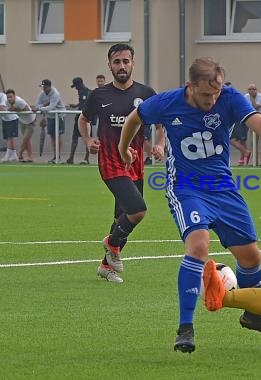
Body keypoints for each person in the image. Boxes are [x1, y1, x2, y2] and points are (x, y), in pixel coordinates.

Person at [117, 57, 261, 354]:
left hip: (223, 187)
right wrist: (124, 149)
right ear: (190, 86)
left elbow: (260, 123)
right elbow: (135, 119)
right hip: (185, 187)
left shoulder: (230, 97)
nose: (212, 100)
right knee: (198, 245)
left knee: (250, 256)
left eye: (216, 93)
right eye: (206, 94)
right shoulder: (167, 102)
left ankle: (252, 313)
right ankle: (186, 327)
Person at [78, 43, 164, 284]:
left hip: (136, 164)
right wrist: (88, 140)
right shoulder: (99, 95)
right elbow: (83, 119)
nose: (122, 66)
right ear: (110, 65)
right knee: (137, 210)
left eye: (126, 61)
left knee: (121, 216)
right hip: (110, 163)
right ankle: (112, 243)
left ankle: (106, 266)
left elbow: (160, 124)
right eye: (117, 62)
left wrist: (160, 145)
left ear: (133, 63)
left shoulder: (146, 94)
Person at [31, 79, 66, 164]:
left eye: (45, 87)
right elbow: (37, 105)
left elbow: (51, 106)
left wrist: (40, 108)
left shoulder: (55, 94)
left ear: (49, 86)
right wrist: (43, 105)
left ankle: (58, 156)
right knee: (52, 136)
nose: (44, 89)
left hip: (59, 115)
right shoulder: (42, 94)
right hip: (50, 116)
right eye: (43, 87)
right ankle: (55, 156)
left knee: (58, 136)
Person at [6, 89, 36, 162]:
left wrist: (16, 109)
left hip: (30, 121)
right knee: (27, 140)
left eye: (11, 97)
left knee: (25, 139)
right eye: (8, 97)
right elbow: (8, 109)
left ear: (14, 96)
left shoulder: (19, 101)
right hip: (22, 121)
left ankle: (19, 154)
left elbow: (28, 110)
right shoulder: (7, 102)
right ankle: (30, 157)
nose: (9, 99)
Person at [66, 77, 91, 165]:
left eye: (76, 86)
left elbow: (85, 104)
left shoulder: (86, 92)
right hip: (79, 117)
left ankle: (86, 158)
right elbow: (82, 103)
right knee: (74, 137)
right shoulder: (81, 92)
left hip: (85, 118)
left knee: (86, 138)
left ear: (79, 85)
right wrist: (76, 105)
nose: (75, 88)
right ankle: (71, 158)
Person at [0, 90, 19, 162]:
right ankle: (14, 155)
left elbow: (1, 107)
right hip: (5, 119)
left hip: (12, 118)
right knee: (8, 137)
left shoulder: (3, 96)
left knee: (10, 137)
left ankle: (8, 155)